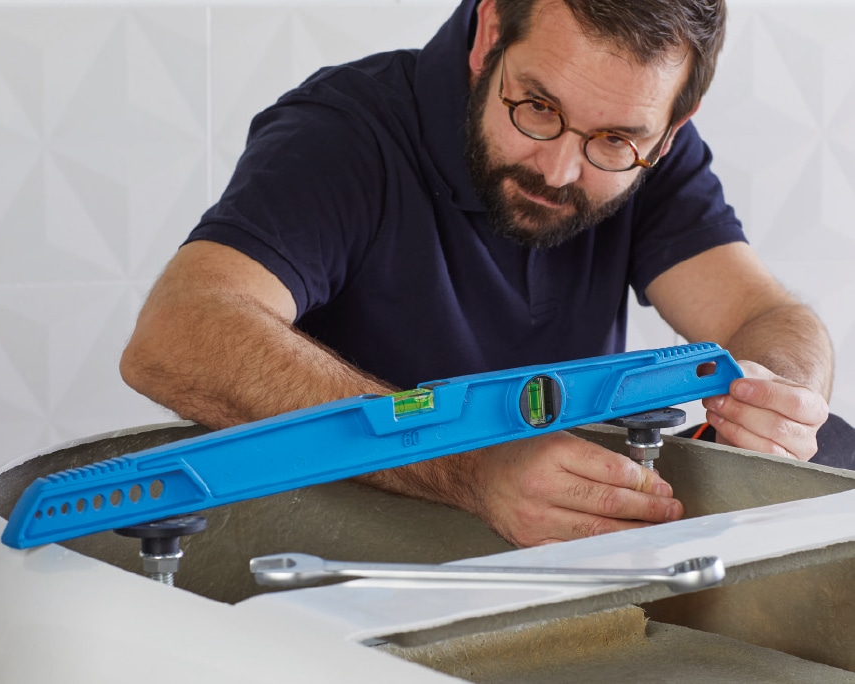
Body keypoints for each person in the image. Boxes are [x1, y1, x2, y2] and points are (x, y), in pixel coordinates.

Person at [120, 0, 838, 548]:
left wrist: (779, 395)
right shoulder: (344, 133)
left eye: (614, 140)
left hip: (558, 583)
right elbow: (175, 335)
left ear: (672, 127)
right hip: (335, 581)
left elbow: (769, 317)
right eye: (537, 107)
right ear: (491, 31)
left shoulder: (645, 151)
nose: (559, 170)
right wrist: (469, 465)